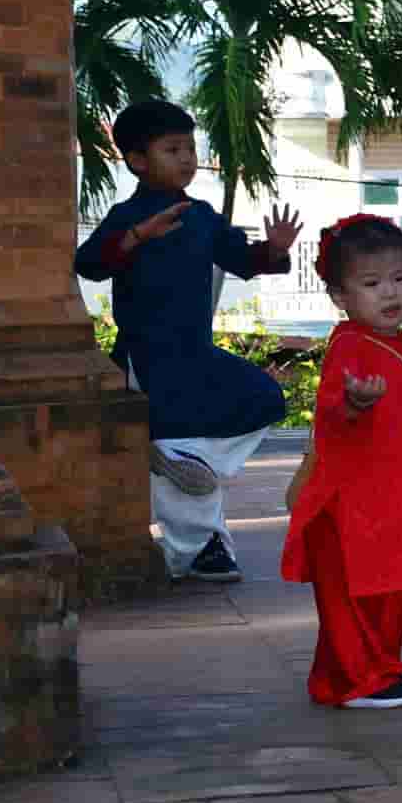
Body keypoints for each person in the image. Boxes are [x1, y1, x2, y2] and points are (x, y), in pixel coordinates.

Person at [75, 98, 301, 584]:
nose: (186, 158)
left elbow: (242, 259)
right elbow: (89, 263)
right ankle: (200, 551)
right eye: (172, 148)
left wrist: (274, 251)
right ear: (137, 160)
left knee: (263, 398)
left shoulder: (201, 215)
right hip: (147, 354)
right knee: (178, 437)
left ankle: (192, 468)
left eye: (190, 148)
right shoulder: (127, 214)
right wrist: (137, 236)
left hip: (196, 349)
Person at [282, 215, 402, 709]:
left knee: (388, 587)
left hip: (383, 500)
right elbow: (331, 412)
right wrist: (355, 405)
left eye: (400, 278)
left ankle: (350, 677)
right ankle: (362, 680)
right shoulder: (349, 345)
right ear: (340, 296)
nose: (390, 293)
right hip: (344, 502)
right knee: (349, 594)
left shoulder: (391, 342)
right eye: (371, 284)